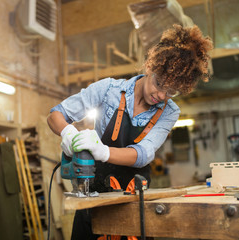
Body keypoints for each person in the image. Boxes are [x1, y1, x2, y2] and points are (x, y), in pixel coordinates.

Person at [47, 24, 213, 240]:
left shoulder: (170, 112)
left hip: (135, 201)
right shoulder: (108, 90)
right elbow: (56, 114)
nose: (162, 95)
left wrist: (102, 152)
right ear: (150, 67)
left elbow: (144, 153)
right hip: (94, 197)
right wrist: (68, 132)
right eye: (160, 84)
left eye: (172, 92)